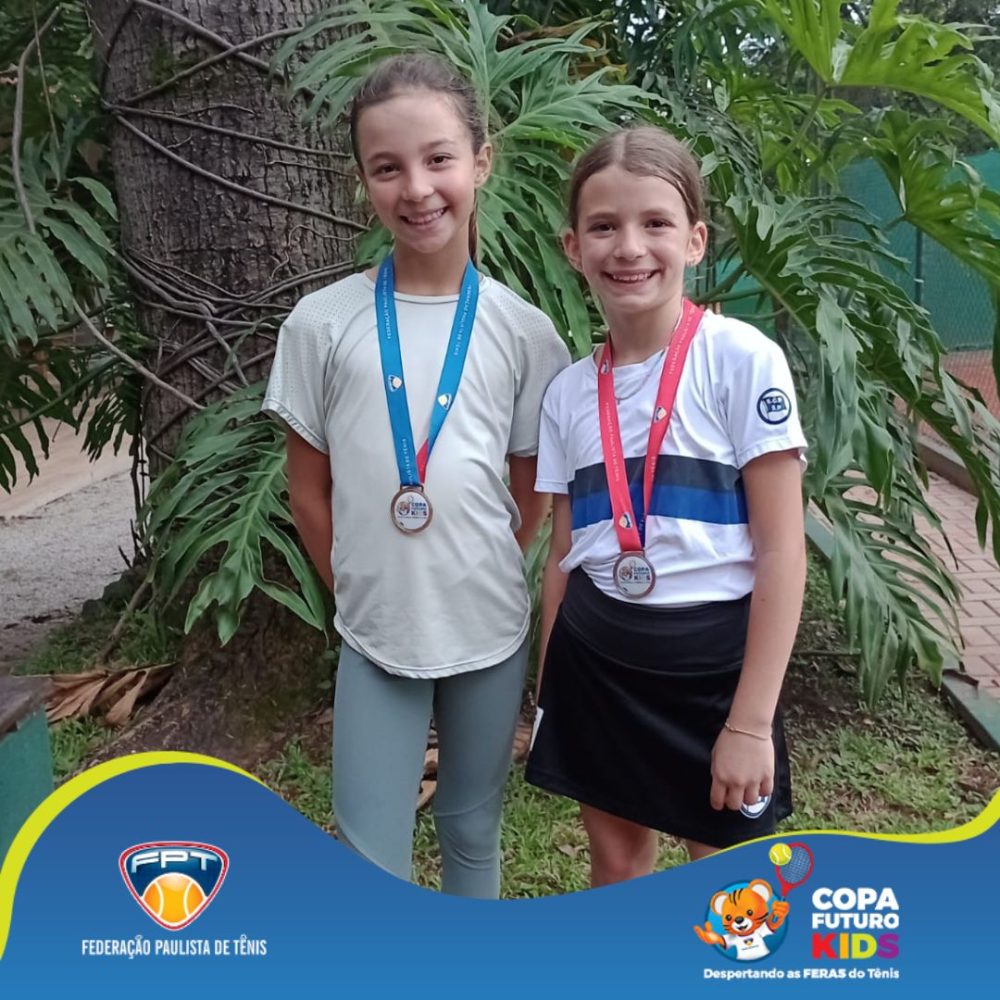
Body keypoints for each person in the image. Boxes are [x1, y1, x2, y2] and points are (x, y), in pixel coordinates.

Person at [262, 53, 570, 898]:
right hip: (377, 633)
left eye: (439, 159)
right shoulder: (323, 324)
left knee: (472, 831)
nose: (418, 188)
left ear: (481, 160)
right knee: (369, 857)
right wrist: (360, 586)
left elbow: (531, 485)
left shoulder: (522, 331)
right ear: (363, 182)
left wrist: (483, 564)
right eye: (387, 167)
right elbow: (308, 490)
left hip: (489, 629)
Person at [525, 126, 807, 887]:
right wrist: (552, 692)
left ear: (695, 240)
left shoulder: (741, 359)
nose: (629, 247)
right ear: (573, 247)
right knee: (617, 864)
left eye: (655, 222)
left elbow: (783, 550)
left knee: (729, 886)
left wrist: (750, 723)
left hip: (713, 673)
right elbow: (562, 559)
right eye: (603, 226)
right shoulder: (568, 394)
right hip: (596, 663)